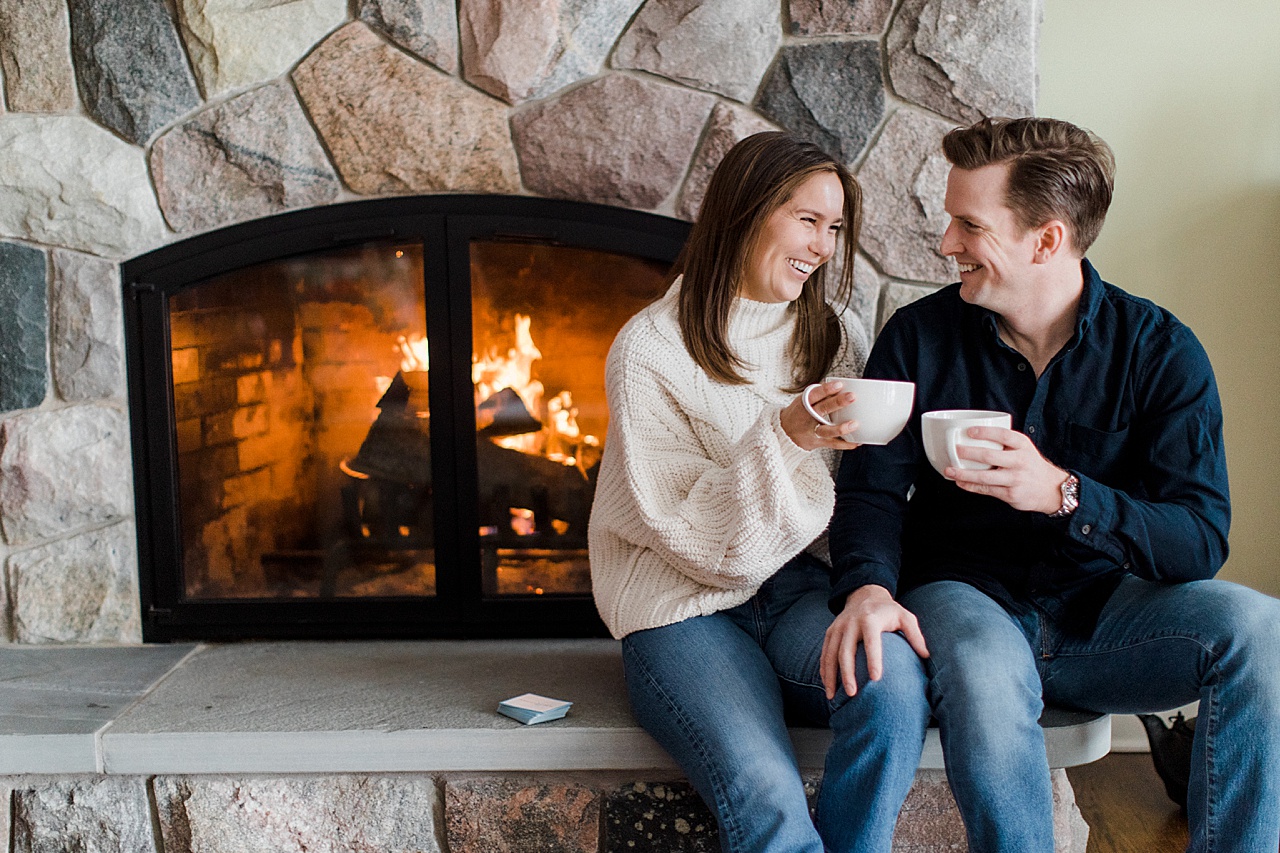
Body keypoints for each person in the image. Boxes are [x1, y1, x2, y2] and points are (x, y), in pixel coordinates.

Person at [823, 116, 1280, 852]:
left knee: (1261, 629)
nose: (946, 244)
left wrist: (1065, 492)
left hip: (1107, 613)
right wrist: (869, 587)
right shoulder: (919, 337)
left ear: (1046, 240)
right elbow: (872, 493)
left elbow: (1199, 539)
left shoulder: (1161, 352)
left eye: (969, 225)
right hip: (963, 597)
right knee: (980, 668)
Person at [588, 131, 931, 853]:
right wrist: (785, 436)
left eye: (834, 227)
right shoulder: (650, 348)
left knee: (891, 682)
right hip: (682, 606)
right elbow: (697, 544)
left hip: (800, 591)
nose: (824, 246)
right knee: (766, 793)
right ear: (745, 213)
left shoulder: (832, 335)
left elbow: (864, 493)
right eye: (807, 219)